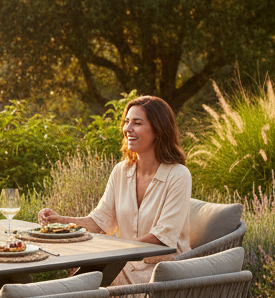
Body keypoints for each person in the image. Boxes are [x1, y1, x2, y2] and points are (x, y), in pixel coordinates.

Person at [38, 96, 192, 285]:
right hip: (124, 262)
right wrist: (61, 222)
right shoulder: (121, 171)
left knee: (89, 280)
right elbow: (100, 221)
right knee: (81, 280)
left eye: (137, 123)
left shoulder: (178, 175)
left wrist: (112, 251)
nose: (128, 129)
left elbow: (162, 238)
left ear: (158, 130)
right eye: (127, 122)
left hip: (164, 270)